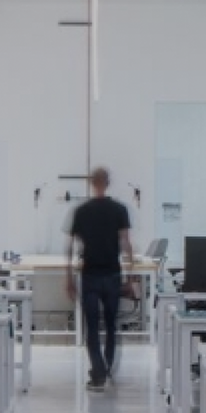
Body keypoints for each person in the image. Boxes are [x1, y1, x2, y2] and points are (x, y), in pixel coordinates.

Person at [67, 166, 133, 391]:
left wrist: (68, 277)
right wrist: (130, 276)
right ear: (108, 182)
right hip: (112, 274)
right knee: (112, 324)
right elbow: (125, 242)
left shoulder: (82, 211)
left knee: (92, 327)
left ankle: (98, 373)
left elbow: (70, 246)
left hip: (90, 275)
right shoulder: (119, 210)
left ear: (92, 183)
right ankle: (106, 367)